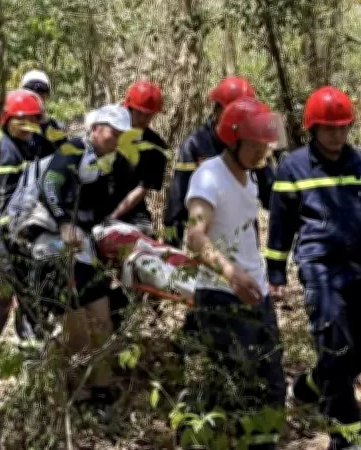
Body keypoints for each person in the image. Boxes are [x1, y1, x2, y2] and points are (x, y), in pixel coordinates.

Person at [264, 86, 361, 450]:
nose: (337, 134)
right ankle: (345, 433)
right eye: (329, 128)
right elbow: (280, 225)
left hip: (360, 269)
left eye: (343, 127)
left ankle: (310, 385)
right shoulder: (293, 167)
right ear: (313, 128)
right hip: (320, 270)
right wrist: (276, 272)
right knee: (336, 347)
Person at [184, 97, 285, 450]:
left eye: (264, 144)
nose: (262, 151)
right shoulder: (208, 175)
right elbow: (194, 236)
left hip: (256, 293)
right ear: (234, 140)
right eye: (255, 144)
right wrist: (230, 273)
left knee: (271, 381)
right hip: (221, 295)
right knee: (241, 385)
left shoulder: (251, 178)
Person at [32, 104, 135, 409]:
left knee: (102, 321)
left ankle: (101, 392)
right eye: (111, 133)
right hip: (54, 248)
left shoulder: (105, 165)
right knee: (75, 331)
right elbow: (49, 184)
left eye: (119, 135)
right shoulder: (74, 149)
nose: (115, 139)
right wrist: (64, 221)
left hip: (86, 251)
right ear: (95, 129)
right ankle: (47, 385)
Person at [163, 76, 275, 248]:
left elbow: (270, 194)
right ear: (217, 110)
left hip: (245, 242)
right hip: (210, 245)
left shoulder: (253, 144)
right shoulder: (196, 144)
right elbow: (178, 199)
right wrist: (170, 248)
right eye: (234, 110)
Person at [0, 90, 46, 347]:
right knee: (0, 294)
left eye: (33, 120)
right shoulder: (4, 150)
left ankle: (30, 349)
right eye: (22, 120)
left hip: (19, 233)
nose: (28, 126)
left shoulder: (28, 145)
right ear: (6, 119)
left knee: (30, 291)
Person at [106, 80, 168, 236]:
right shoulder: (107, 132)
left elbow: (142, 188)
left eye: (148, 115)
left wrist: (113, 217)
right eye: (139, 113)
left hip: (133, 211)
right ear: (129, 108)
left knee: (145, 237)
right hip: (99, 203)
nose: (143, 119)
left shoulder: (156, 147)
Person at [20, 69, 67, 157]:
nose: (36, 95)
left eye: (41, 90)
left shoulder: (56, 127)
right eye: (30, 89)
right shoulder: (15, 128)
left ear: (47, 96)